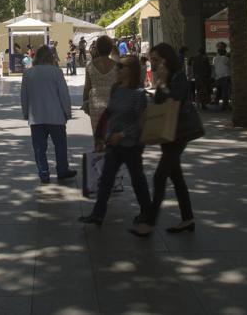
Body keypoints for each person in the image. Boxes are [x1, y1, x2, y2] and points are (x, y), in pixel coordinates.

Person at [131, 44, 205, 237]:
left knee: (160, 176)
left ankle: (149, 222)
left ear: (165, 59)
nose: (152, 63)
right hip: (169, 132)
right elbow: (159, 103)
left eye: (155, 59)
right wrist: (160, 83)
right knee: (176, 176)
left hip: (180, 132)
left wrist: (162, 83)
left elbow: (177, 100)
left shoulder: (178, 76)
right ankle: (187, 219)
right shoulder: (164, 77)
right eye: (151, 59)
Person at [78, 55, 152, 227]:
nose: (117, 70)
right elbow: (110, 114)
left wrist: (124, 134)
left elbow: (141, 122)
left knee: (137, 179)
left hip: (132, 145)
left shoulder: (139, 95)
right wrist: (103, 136)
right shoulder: (116, 89)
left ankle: (147, 212)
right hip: (114, 142)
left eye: (121, 67)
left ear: (131, 71)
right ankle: (98, 214)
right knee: (106, 179)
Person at [20, 45, 77, 184]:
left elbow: (24, 96)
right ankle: (62, 170)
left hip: (36, 116)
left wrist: (26, 112)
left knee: (39, 148)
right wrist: (67, 112)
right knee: (60, 145)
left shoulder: (28, 74)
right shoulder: (56, 72)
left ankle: (44, 173)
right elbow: (64, 94)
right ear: (50, 57)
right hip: (56, 116)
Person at [80, 35, 119, 137]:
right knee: (111, 132)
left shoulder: (90, 65)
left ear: (97, 48)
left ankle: (99, 150)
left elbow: (87, 87)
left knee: (98, 133)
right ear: (110, 49)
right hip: (113, 100)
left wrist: (85, 102)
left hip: (95, 100)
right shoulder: (116, 65)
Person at [213, 43, 232, 111]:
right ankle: (225, 105)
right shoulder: (225, 58)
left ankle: (216, 104)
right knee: (225, 92)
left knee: (219, 91)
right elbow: (230, 64)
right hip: (225, 76)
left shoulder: (214, 59)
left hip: (218, 77)